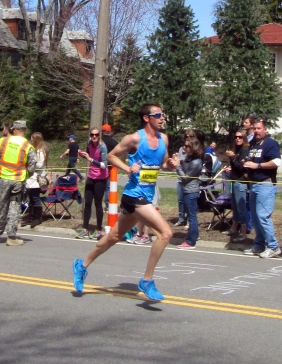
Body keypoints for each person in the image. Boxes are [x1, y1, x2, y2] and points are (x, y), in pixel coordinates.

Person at [73, 102, 176, 301]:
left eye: (163, 114)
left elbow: (163, 164)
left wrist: (170, 164)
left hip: (146, 195)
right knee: (166, 233)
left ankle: (81, 264)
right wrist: (127, 169)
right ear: (147, 118)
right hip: (134, 195)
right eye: (158, 114)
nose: (162, 117)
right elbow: (111, 156)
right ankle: (147, 280)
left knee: (113, 237)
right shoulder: (134, 139)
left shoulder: (164, 139)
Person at [242, 118, 282, 258]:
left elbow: (277, 162)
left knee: (263, 216)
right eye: (255, 128)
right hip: (253, 184)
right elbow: (251, 159)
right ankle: (258, 245)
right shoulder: (253, 144)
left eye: (259, 128)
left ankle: (273, 246)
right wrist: (246, 162)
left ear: (265, 129)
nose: (257, 131)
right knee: (256, 217)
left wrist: (257, 166)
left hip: (265, 184)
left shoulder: (270, 144)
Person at [0, 120, 35, 245]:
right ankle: (11, 237)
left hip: (3, 178)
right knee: (14, 207)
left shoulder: (3, 141)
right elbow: (32, 165)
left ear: (14, 129)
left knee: (1, 205)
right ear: (24, 130)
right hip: (18, 180)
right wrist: (27, 174)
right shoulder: (27, 146)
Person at [77, 127, 109, 240]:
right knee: (87, 203)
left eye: (96, 135)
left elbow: (104, 165)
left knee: (98, 204)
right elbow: (87, 154)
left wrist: (90, 160)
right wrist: (81, 154)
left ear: (99, 135)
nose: (94, 137)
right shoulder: (89, 143)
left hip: (101, 177)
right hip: (91, 176)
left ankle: (99, 229)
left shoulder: (103, 146)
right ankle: (85, 228)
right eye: (92, 135)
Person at [172, 137, 204, 249]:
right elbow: (183, 164)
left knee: (191, 217)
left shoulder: (196, 162)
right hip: (186, 190)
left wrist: (177, 166)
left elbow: (185, 177)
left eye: (186, 146)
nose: (184, 148)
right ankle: (194, 236)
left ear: (193, 148)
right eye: (184, 145)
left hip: (191, 191)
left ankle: (191, 241)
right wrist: (177, 160)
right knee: (191, 216)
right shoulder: (188, 158)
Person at [225, 130, 250, 242]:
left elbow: (242, 167)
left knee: (241, 208)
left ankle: (243, 232)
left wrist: (233, 158)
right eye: (236, 136)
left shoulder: (245, 150)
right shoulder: (237, 150)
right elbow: (236, 166)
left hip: (241, 182)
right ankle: (234, 228)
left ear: (244, 138)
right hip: (234, 180)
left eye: (240, 137)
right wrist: (230, 167)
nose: (237, 139)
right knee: (235, 207)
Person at [174, 129, 197, 227]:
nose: (188, 138)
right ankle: (181, 218)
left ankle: (189, 221)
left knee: (189, 202)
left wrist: (179, 162)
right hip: (180, 177)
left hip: (189, 179)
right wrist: (176, 159)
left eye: (191, 136)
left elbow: (189, 163)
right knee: (180, 200)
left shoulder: (195, 150)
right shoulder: (181, 149)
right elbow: (179, 162)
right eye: (186, 136)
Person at [25, 132, 47, 225]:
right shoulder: (32, 150)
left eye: (32, 138)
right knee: (30, 197)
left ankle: (37, 217)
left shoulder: (40, 151)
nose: (31, 140)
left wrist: (30, 163)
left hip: (37, 178)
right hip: (30, 177)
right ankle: (31, 216)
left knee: (35, 197)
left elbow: (40, 165)